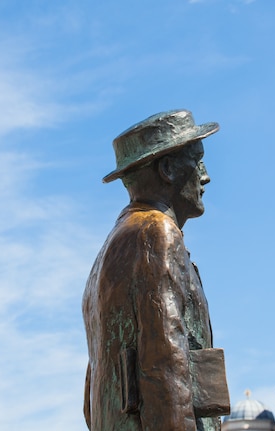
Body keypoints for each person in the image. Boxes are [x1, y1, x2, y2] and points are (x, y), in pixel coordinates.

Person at [83, 109, 228, 431]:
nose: (205, 176)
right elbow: (165, 367)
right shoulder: (155, 233)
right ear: (168, 170)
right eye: (198, 161)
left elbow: (92, 391)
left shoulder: (116, 245)